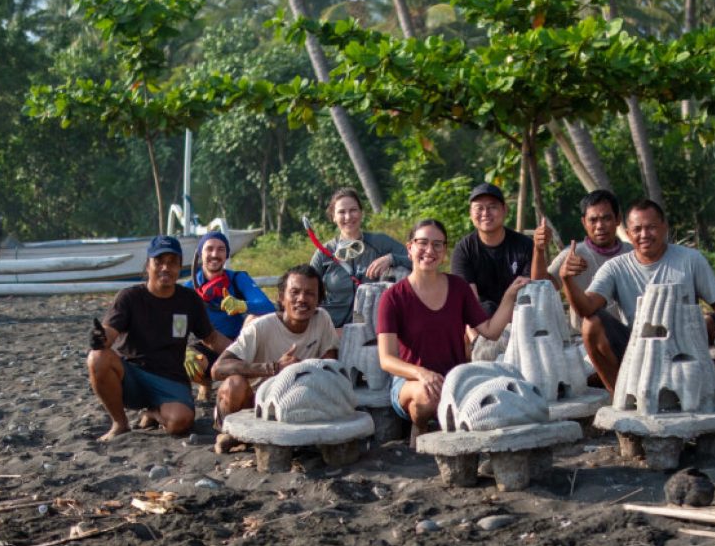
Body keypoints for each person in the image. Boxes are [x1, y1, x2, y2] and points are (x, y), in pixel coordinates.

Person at [560, 199, 715, 393]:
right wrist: (567, 281)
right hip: (637, 347)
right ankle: (621, 396)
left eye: (651, 227)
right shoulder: (615, 267)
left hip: (683, 346)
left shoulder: (691, 259)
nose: (644, 235)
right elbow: (586, 308)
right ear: (628, 233)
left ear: (664, 227)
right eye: (637, 230)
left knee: (707, 323)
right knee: (591, 324)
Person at [377, 219, 527, 437]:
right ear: (410, 248)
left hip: (456, 378)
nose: (430, 250)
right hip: (411, 382)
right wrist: (422, 373)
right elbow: (386, 359)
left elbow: (491, 331)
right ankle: (419, 427)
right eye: (423, 243)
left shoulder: (459, 287)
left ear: (445, 251)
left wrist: (509, 295)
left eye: (437, 244)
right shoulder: (393, 297)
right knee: (428, 397)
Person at [88, 236, 230, 441]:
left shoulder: (189, 300)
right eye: (159, 261)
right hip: (132, 376)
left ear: (180, 267)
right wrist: (100, 338)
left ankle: (153, 413)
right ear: (148, 265)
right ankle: (120, 423)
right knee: (97, 357)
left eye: (172, 262)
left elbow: (211, 338)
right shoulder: (129, 297)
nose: (165, 267)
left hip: (171, 378)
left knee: (181, 423)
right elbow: (109, 333)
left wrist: (243, 352)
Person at [210, 264, 338, 451]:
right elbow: (217, 369)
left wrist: (302, 370)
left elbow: (331, 366)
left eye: (310, 293)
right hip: (254, 404)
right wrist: (273, 368)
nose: (302, 299)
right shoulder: (261, 327)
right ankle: (230, 433)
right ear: (281, 298)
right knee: (234, 384)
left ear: (319, 300)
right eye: (294, 292)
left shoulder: (322, 320)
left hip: (295, 403)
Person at [183, 231, 275, 400]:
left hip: (238, 346)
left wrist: (242, 305)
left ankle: (246, 380)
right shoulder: (189, 288)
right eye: (209, 249)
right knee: (187, 363)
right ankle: (205, 382)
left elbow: (268, 307)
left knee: (255, 318)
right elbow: (176, 324)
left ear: (227, 255)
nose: (214, 254)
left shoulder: (238, 279)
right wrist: (182, 350)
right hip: (204, 345)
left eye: (221, 249)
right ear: (200, 253)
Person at [531, 189, 633, 332]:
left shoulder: (633, 254)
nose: (600, 226)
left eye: (606, 218)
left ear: (618, 219)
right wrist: (538, 249)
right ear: (584, 222)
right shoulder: (572, 255)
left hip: (629, 337)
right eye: (593, 220)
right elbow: (540, 286)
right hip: (583, 341)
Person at [311, 188, 411, 328]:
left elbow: (417, 258)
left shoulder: (380, 243)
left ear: (361, 213)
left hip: (373, 328)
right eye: (341, 212)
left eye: (353, 210)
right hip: (332, 329)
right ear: (333, 217)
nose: (348, 217)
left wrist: (391, 258)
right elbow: (306, 285)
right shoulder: (324, 252)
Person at [451, 182, 533, 315]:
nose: (485, 213)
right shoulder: (464, 249)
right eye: (479, 208)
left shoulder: (525, 245)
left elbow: (531, 292)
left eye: (492, 207)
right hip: (480, 321)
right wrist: (476, 335)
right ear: (470, 213)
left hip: (519, 316)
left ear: (505, 210)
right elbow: (467, 302)